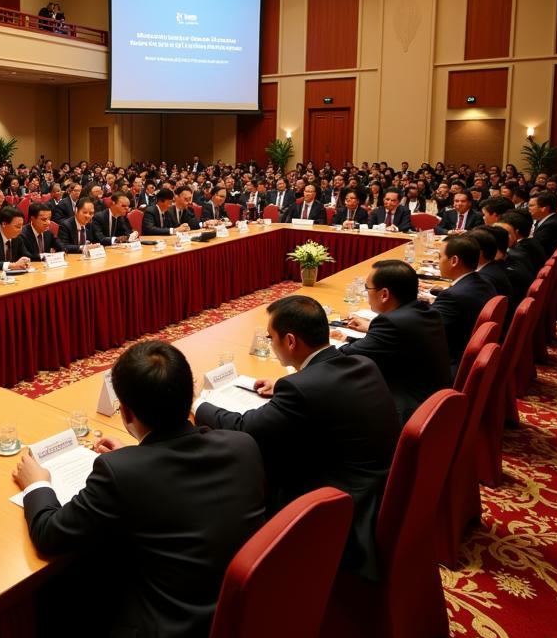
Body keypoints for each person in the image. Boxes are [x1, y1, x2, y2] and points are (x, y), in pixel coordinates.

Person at [13, 340, 266, 638]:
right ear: (189, 395)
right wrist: (136, 458)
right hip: (236, 619)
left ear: (126, 412)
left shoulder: (121, 474)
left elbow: (50, 534)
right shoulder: (243, 446)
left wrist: (37, 484)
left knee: (54, 596)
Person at [194, 295, 398, 580]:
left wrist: (198, 406)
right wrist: (283, 384)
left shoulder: (302, 388)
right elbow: (322, 390)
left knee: (244, 468)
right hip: (380, 488)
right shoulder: (361, 362)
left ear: (290, 341)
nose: (270, 344)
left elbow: (245, 428)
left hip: (344, 512)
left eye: (271, 337)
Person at [336, 260, 451, 425]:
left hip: (409, 411)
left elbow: (345, 357)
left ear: (384, 294)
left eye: (367, 289)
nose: (366, 293)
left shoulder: (391, 323)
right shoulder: (425, 311)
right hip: (434, 404)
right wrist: (349, 338)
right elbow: (391, 344)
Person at [423, 234, 497, 374]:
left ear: (454, 260)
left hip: (448, 363)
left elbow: (424, 331)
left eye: (439, 257)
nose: (437, 262)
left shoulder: (453, 296)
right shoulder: (484, 282)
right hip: (466, 350)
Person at [529, 189, 557, 258]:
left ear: (544, 208)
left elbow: (534, 249)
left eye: (531, 206)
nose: (528, 208)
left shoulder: (551, 225)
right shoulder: (547, 220)